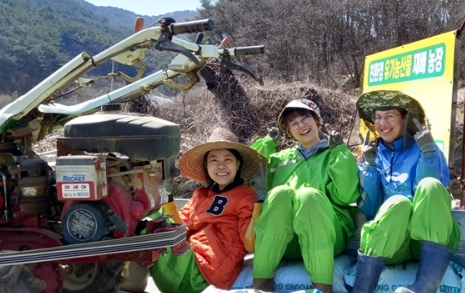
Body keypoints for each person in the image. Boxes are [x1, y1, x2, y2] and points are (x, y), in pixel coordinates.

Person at [353, 90, 461, 293]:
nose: (382, 123)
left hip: (429, 241)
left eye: (390, 116)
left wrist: (427, 154)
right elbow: (370, 208)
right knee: (398, 202)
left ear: (405, 119)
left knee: (430, 185)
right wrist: (371, 167)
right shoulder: (372, 155)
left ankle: (423, 288)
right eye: (378, 117)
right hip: (393, 243)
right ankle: (362, 289)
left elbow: (430, 196)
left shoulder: (427, 148)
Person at [250, 98, 360, 293]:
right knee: (280, 192)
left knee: (308, 196)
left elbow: (346, 196)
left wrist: (339, 152)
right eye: (293, 123)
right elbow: (248, 167)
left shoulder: (333, 155)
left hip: (327, 235)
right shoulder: (280, 159)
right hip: (287, 240)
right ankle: (260, 286)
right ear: (289, 132)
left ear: (316, 121)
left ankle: (323, 288)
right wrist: (268, 143)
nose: (301, 125)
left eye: (305, 118)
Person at [148, 127, 268, 293]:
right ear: (206, 165)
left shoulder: (245, 195)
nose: (221, 166)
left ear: (238, 163)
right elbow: (179, 225)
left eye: (228, 159)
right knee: (148, 221)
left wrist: (260, 199)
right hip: (187, 256)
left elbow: (252, 243)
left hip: (207, 272)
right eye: (214, 160)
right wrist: (166, 196)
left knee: (148, 232)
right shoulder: (201, 194)